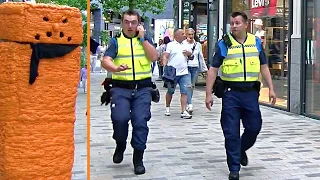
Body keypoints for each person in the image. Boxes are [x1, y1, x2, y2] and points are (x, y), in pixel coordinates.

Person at [205, 12, 277, 180]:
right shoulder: (224, 43)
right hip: (231, 94)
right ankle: (234, 168)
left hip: (251, 93)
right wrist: (208, 94)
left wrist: (271, 88)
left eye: (237, 23)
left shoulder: (256, 42)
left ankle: (240, 149)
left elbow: (264, 66)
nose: (234, 26)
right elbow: (213, 69)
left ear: (246, 24)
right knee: (231, 132)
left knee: (254, 127)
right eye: (232, 23)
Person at [102, 9, 158, 175]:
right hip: (120, 88)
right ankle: (120, 144)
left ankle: (138, 158)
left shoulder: (145, 40)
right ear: (122, 24)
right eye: (127, 22)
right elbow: (106, 61)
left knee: (140, 122)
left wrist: (143, 39)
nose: (130, 25)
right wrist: (115, 68)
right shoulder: (116, 42)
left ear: (139, 24)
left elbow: (154, 57)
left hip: (143, 89)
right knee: (120, 118)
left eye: (134, 22)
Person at [162, 29, 192, 119]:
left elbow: (191, 56)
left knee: (185, 91)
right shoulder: (170, 45)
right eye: (182, 34)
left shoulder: (186, 44)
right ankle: (167, 107)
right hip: (173, 73)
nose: (184, 35)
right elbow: (165, 56)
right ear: (177, 36)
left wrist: (189, 53)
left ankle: (183, 111)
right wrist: (165, 66)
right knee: (170, 91)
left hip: (184, 72)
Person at [183, 28, 207, 114]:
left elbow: (200, 57)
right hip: (186, 67)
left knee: (192, 86)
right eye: (189, 34)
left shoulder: (198, 45)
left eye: (192, 34)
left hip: (195, 67)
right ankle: (189, 104)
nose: (191, 36)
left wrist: (204, 69)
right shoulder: (183, 44)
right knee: (188, 85)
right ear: (186, 35)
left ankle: (188, 102)